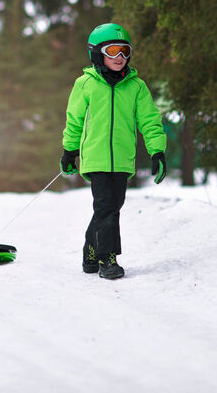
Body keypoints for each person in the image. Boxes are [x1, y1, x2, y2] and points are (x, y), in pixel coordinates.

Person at [60, 23, 167, 280]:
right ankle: (108, 259)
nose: (120, 57)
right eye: (113, 51)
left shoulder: (136, 87)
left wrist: (157, 152)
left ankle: (90, 251)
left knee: (110, 207)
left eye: (124, 51)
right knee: (106, 207)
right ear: (97, 53)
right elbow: (74, 120)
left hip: (122, 159)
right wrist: (69, 151)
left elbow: (150, 121)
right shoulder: (85, 84)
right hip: (95, 158)